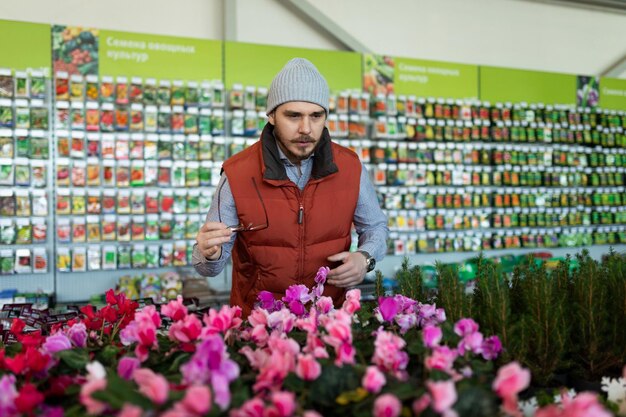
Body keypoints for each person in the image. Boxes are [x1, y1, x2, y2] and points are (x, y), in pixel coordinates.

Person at [193, 57, 388, 316]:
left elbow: (376, 227)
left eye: (316, 116)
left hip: (329, 322)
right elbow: (208, 267)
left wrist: (365, 258)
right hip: (258, 325)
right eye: (293, 116)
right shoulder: (237, 173)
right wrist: (207, 252)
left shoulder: (351, 167)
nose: (306, 128)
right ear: (272, 115)